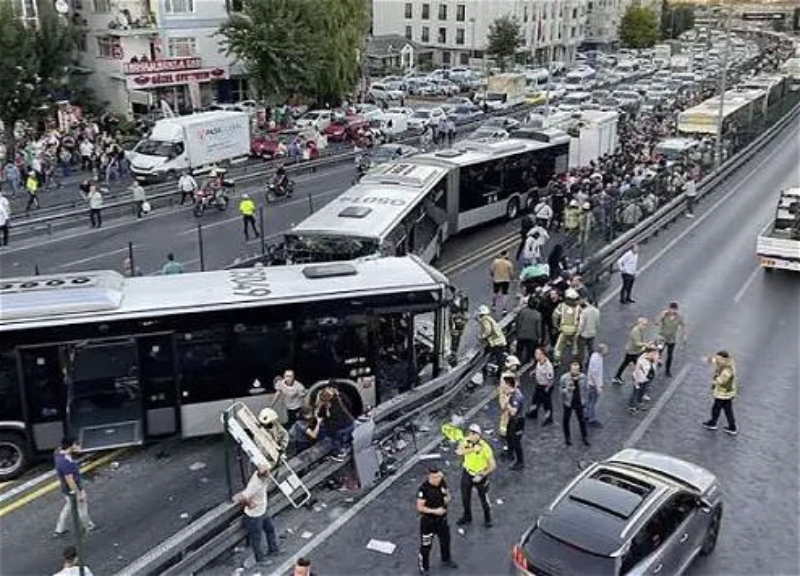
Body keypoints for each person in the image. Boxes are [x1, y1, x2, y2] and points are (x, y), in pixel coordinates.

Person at [233, 465, 279, 565]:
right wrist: (249, 504)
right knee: (256, 538)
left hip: (262, 511)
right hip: (254, 516)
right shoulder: (254, 485)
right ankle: (260, 559)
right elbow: (240, 497)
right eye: (267, 476)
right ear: (262, 477)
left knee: (270, 529)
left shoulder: (261, 477)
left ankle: (273, 550)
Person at [416, 467, 458, 575]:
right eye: (437, 477)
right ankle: (424, 567)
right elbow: (420, 507)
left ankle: (446, 559)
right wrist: (435, 511)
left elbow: (448, 495)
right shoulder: (424, 489)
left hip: (442, 521)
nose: (439, 479)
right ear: (431, 477)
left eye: (440, 477)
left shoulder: (442, 483)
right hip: (428, 522)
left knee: (446, 541)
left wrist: (447, 498)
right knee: (426, 547)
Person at [455, 424, 496, 528]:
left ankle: (488, 518)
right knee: (465, 497)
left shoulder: (485, 448)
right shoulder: (466, 441)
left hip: (480, 475)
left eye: (473, 433)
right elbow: (459, 452)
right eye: (470, 432)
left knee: (484, 499)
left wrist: (482, 475)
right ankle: (467, 516)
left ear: (479, 435)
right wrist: (472, 449)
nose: (471, 435)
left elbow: (493, 465)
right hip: (467, 473)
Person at [54, 437, 95, 537]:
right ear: (71, 445)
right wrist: (78, 493)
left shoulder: (58, 453)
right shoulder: (66, 464)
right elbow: (70, 480)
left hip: (65, 490)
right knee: (82, 509)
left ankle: (59, 529)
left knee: (68, 507)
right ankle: (88, 526)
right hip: (73, 489)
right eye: (76, 444)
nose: (79, 446)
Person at [702, 351, 738, 435]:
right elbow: (714, 360)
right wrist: (708, 359)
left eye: (719, 359)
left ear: (724, 359)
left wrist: (715, 380)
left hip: (723, 393)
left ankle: (713, 423)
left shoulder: (727, 370)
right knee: (728, 410)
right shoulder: (725, 363)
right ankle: (732, 427)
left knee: (716, 408)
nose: (717, 360)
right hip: (728, 393)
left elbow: (722, 381)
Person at [316, 386, 355, 462]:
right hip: (350, 423)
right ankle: (344, 448)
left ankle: (338, 454)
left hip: (344, 427)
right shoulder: (337, 399)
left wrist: (323, 425)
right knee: (341, 435)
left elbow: (333, 426)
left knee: (335, 437)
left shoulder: (332, 408)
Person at [559, 361, 590, 447]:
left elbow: (586, 389)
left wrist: (585, 400)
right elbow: (561, 390)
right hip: (568, 402)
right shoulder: (564, 378)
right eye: (573, 370)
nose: (574, 372)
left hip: (579, 402)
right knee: (566, 420)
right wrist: (568, 389)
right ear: (570, 369)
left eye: (576, 370)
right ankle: (567, 437)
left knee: (582, 420)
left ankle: (585, 437)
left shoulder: (583, 377)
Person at [613, 317, 649, 385]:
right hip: (632, 351)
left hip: (634, 351)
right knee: (630, 364)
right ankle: (638, 378)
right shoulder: (635, 331)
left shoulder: (639, 330)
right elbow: (637, 343)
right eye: (644, 324)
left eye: (646, 324)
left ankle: (618, 376)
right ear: (639, 324)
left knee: (627, 364)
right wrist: (645, 345)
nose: (645, 326)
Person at [656, 302, 687, 377]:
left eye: (674, 310)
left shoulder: (679, 317)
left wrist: (685, 336)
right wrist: (661, 316)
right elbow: (656, 322)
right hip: (662, 337)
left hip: (672, 339)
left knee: (670, 355)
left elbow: (683, 325)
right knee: (658, 353)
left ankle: (667, 370)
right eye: (671, 309)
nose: (672, 311)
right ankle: (655, 365)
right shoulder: (665, 315)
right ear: (669, 308)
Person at [552, 288, 582, 366]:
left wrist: (556, 326)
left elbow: (555, 316)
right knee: (575, 346)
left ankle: (556, 361)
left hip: (564, 330)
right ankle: (575, 361)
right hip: (575, 330)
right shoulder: (579, 308)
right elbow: (582, 319)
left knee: (559, 347)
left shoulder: (561, 306)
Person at [501, 374, 525, 471]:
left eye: (505, 386)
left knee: (516, 442)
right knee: (508, 436)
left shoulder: (517, 397)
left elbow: (513, 411)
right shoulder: (510, 393)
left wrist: (507, 402)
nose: (503, 388)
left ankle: (520, 462)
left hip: (518, 421)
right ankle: (510, 453)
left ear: (509, 386)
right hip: (512, 419)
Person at [526, 348, 554, 426]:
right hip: (539, 384)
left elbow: (551, 379)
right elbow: (538, 368)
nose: (535, 355)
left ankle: (549, 418)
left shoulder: (548, 366)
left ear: (542, 355)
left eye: (537, 354)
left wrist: (547, 389)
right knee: (535, 400)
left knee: (546, 403)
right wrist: (534, 372)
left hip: (545, 386)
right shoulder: (539, 362)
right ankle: (533, 413)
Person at [476, 305, 507, 372]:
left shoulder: (485, 320)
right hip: (499, 340)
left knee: (499, 358)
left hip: (496, 342)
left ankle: (500, 373)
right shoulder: (488, 318)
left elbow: (488, 330)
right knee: (499, 357)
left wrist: (482, 337)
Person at [515, 297, 542, 365]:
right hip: (532, 336)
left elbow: (518, 322)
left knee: (519, 350)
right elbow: (538, 328)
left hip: (521, 334)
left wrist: (517, 332)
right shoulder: (538, 315)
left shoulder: (523, 312)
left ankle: (518, 361)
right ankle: (527, 361)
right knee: (529, 350)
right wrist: (539, 337)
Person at [586, 343, 607, 428]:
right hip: (593, 385)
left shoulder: (595, 356)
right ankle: (591, 418)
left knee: (589, 401)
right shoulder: (597, 360)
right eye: (605, 350)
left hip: (591, 383)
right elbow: (594, 374)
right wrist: (598, 387)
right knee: (592, 402)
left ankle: (587, 414)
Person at [577, 299, 600, 366]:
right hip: (592, 333)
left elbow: (581, 324)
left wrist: (578, 333)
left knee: (581, 350)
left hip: (584, 334)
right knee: (590, 349)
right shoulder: (597, 311)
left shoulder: (584, 312)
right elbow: (597, 323)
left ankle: (580, 364)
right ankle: (589, 361)